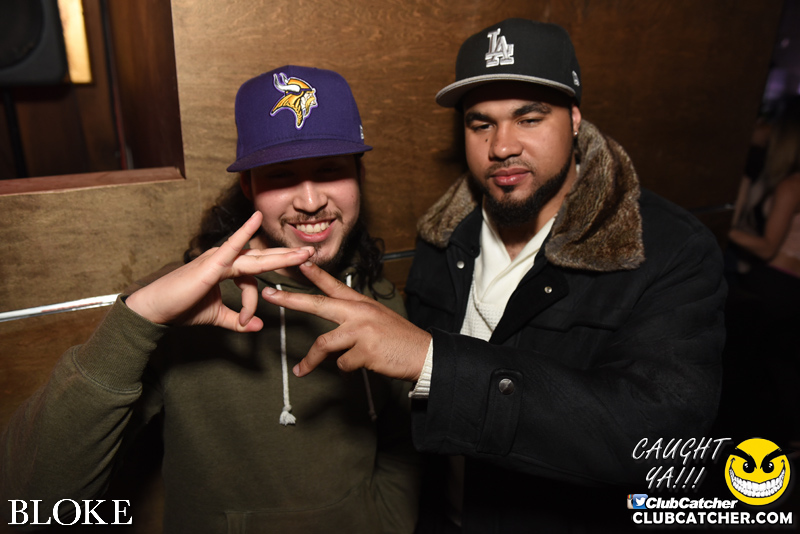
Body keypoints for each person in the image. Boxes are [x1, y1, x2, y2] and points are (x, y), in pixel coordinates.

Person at [261, 20, 727, 532]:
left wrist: (433, 362)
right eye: (480, 124)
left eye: (529, 118)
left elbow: (661, 441)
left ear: (575, 119)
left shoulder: (666, 250)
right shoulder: (442, 235)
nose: (502, 146)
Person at [0, 66, 420, 533]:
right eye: (281, 176)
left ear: (359, 174)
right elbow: (26, 499)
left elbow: (402, 442)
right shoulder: (186, 306)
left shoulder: (378, 295)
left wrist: (388, 519)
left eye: (330, 169)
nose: (309, 200)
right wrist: (137, 320)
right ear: (248, 187)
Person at [721, 96, 800, 443]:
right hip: (792, 288)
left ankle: (743, 440)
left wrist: (721, 223)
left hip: (774, 284)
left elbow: (768, 248)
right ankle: (786, 438)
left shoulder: (791, 184)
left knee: (745, 368)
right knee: (780, 367)